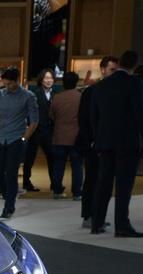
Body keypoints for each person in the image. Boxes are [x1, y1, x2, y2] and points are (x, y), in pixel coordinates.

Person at [91, 49, 143, 238]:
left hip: (105, 141)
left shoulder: (101, 86)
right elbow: (140, 113)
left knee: (104, 182)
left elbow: (94, 116)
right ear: (135, 65)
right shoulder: (134, 83)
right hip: (127, 141)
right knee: (124, 185)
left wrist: (97, 138)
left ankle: (97, 222)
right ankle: (121, 225)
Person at [0, 67, 39, 219]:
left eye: (9, 83)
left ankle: (8, 207)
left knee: (11, 173)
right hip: (0, 137)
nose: (7, 86)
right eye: (5, 84)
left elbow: (34, 121)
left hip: (16, 139)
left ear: (17, 80)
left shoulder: (28, 96)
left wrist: (24, 138)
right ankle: (9, 195)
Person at [78, 55, 118, 230]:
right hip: (93, 143)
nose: (114, 73)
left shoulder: (113, 91)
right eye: (112, 70)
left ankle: (98, 215)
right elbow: (84, 119)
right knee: (93, 179)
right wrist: (91, 140)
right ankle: (89, 215)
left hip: (108, 143)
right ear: (103, 70)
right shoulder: (91, 92)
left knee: (105, 181)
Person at [49, 71, 83, 200]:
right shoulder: (81, 97)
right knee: (77, 166)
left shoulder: (57, 97)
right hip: (76, 137)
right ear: (76, 82)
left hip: (59, 136)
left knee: (58, 165)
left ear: (63, 83)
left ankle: (57, 191)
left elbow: (51, 115)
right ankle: (77, 193)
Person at [23, 68, 56, 192]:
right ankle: (26, 182)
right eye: (46, 78)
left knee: (52, 157)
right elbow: (28, 110)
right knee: (30, 157)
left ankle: (54, 183)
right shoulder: (34, 94)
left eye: (51, 78)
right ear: (41, 80)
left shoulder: (55, 94)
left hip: (49, 131)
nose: (49, 80)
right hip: (35, 130)